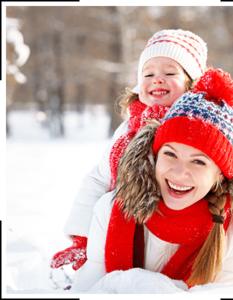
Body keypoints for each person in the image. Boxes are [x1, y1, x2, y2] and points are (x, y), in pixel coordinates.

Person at [70, 68, 233, 292]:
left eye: (198, 162)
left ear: (221, 174)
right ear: (154, 156)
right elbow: (90, 289)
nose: (178, 172)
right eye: (170, 154)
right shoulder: (110, 211)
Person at [50, 29, 208, 271]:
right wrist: (84, 237)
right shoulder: (128, 130)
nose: (157, 79)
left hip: (182, 237)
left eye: (169, 72)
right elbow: (97, 180)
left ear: (191, 83)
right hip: (125, 233)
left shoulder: (202, 127)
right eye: (148, 73)